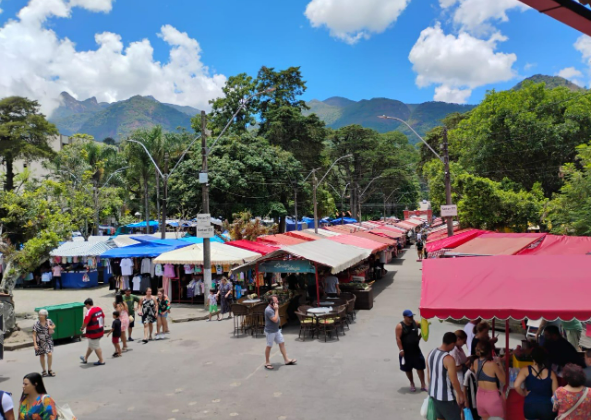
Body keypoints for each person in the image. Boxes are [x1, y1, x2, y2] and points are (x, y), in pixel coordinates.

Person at [426, 332, 465, 420]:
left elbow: (428, 374)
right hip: (446, 398)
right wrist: (460, 395)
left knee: (440, 418)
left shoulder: (431, 352)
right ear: (452, 344)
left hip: (434, 395)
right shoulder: (448, 359)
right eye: (454, 345)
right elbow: (454, 380)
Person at [514, 346, 558, 420]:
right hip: (547, 407)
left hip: (530, 405)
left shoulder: (525, 370)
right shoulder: (552, 374)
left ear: (532, 357)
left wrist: (524, 393)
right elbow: (556, 394)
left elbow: (516, 386)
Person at [472, 340, 505, 420]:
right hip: (492, 399)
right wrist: (500, 364)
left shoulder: (475, 362)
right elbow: (504, 380)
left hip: (480, 397)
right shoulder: (492, 364)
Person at [395, 309, 426, 392]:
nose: (411, 318)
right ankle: (412, 383)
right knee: (408, 369)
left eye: (412, 316)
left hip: (416, 349)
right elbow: (398, 338)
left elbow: (424, 327)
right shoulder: (400, 326)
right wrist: (401, 349)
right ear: (404, 317)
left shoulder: (415, 323)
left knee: (420, 367)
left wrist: (421, 336)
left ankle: (423, 384)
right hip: (405, 351)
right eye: (409, 317)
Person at [263, 295, 296, 370]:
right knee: (269, 346)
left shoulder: (274, 308)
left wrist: (276, 309)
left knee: (282, 343)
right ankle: (267, 362)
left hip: (276, 330)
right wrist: (277, 310)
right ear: (271, 302)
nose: (277, 302)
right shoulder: (268, 310)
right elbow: (275, 319)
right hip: (270, 331)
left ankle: (286, 360)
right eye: (276, 301)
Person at [80, 298, 105, 366]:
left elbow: (85, 322)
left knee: (96, 346)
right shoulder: (99, 308)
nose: (86, 307)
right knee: (91, 345)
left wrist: (82, 328)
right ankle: (85, 358)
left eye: (86, 306)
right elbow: (103, 317)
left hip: (93, 332)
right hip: (100, 330)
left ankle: (101, 360)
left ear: (87, 304)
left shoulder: (89, 312)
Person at [32, 309, 55, 377]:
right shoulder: (36, 324)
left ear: (45, 316)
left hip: (48, 340)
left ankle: (50, 369)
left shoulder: (49, 321)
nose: (40, 316)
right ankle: (44, 370)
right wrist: (35, 344)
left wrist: (51, 327)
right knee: (42, 355)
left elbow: (54, 325)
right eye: (39, 315)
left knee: (49, 354)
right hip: (40, 342)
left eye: (41, 315)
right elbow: (34, 334)